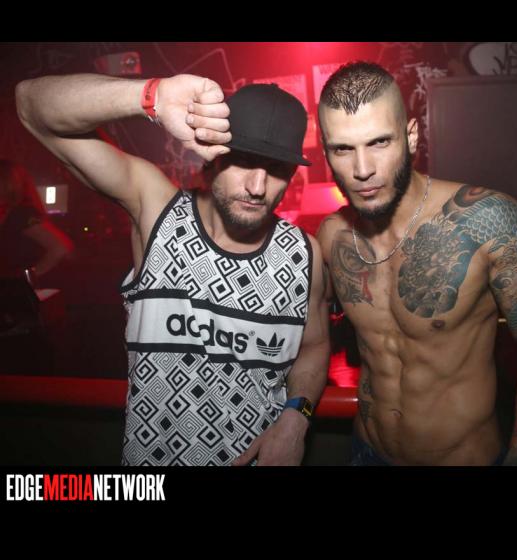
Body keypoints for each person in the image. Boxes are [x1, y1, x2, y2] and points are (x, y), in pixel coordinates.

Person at [16, 74, 330, 466]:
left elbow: (314, 347)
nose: (257, 186)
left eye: (277, 168)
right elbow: (32, 105)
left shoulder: (303, 254)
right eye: (244, 160)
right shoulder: (157, 212)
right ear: (213, 155)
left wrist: (297, 417)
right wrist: (153, 95)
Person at [316, 61, 517, 466]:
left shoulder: (491, 222)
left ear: (411, 136)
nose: (362, 170)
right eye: (343, 149)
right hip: (367, 451)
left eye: (379, 142)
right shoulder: (333, 237)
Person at [0, 159, 73, 281]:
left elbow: (60, 247)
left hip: (22, 290)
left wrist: (27, 278)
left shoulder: (21, 214)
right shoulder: (12, 213)